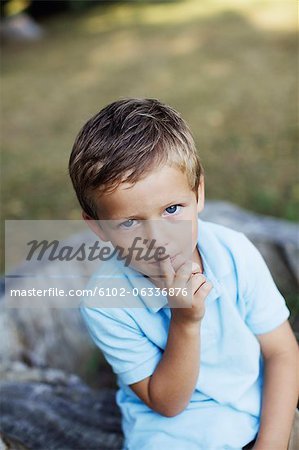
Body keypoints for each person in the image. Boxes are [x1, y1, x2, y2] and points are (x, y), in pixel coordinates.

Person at [68, 98, 299, 450]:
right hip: (172, 436)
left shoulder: (233, 253)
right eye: (129, 222)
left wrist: (272, 443)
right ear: (98, 227)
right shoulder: (105, 303)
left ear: (199, 193)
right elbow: (167, 403)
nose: (158, 240)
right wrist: (185, 322)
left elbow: (282, 352)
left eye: (172, 209)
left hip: (259, 413)